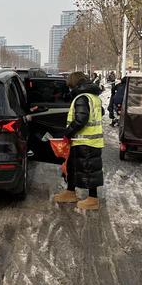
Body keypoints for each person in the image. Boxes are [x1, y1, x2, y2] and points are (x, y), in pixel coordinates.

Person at [53, 71, 104, 210]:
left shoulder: (81, 98)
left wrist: (68, 133)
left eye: (70, 86)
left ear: (74, 84)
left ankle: (93, 199)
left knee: (89, 170)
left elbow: (81, 119)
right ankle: (70, 192)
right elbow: (102, 112)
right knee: (73, 167)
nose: (70, 89)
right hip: (87, 141)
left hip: (86, 141)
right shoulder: (93, 97)